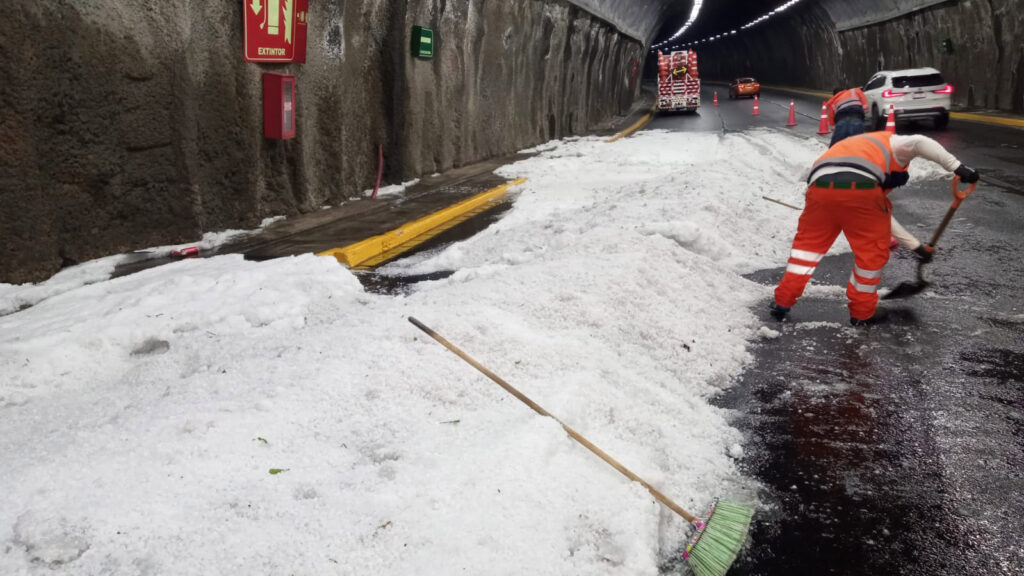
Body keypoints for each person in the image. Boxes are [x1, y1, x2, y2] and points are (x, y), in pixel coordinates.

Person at [769, 131, 979, 326]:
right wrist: (958, 168)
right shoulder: (893, 142)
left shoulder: (857, 146)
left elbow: (881, 214)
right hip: (861, 189)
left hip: (819, 190)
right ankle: (862, 313)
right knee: (870, 256)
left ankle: (782, 302)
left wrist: (917, 247)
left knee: (805, 252)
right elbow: (920, 142)